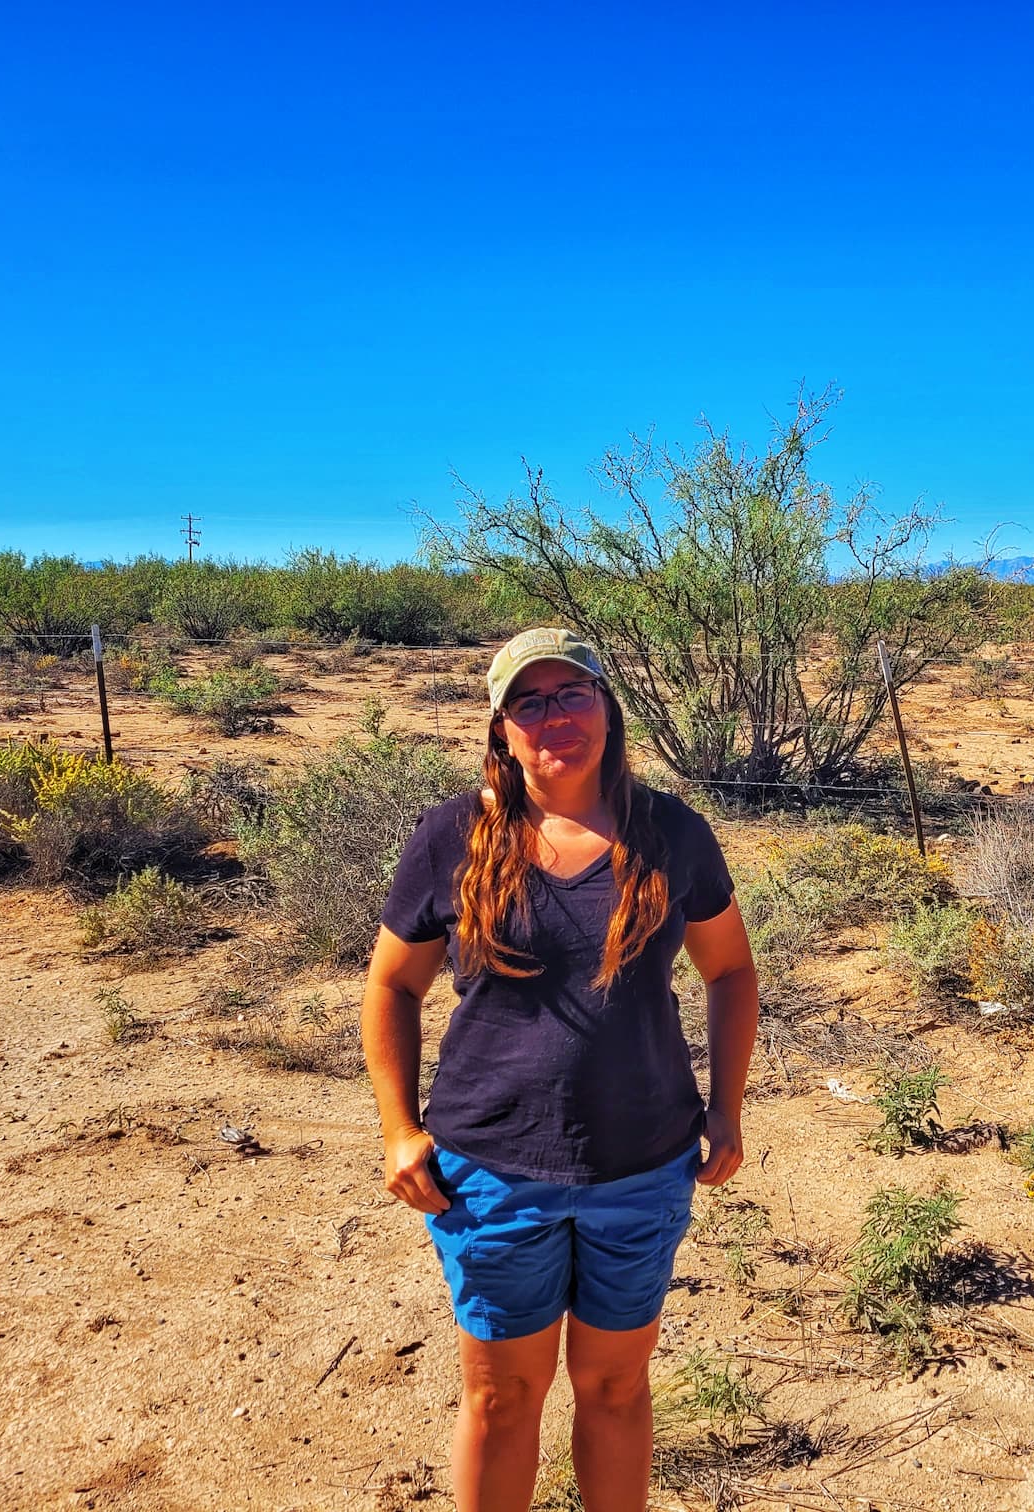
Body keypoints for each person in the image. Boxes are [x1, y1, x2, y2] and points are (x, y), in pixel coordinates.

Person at [361, 626, 759, 1512]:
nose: (554, 717)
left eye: (572, 693)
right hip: (491, 1168)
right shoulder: (451, 836)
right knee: (504, 1400)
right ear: (501, 730)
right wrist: (397, 1129)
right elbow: (393, 985)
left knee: (615, 1389)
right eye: (528, 702)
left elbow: (730, 970)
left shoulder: (672, 834)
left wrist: (726, 1109)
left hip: (644, 1163)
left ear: (608, 709)